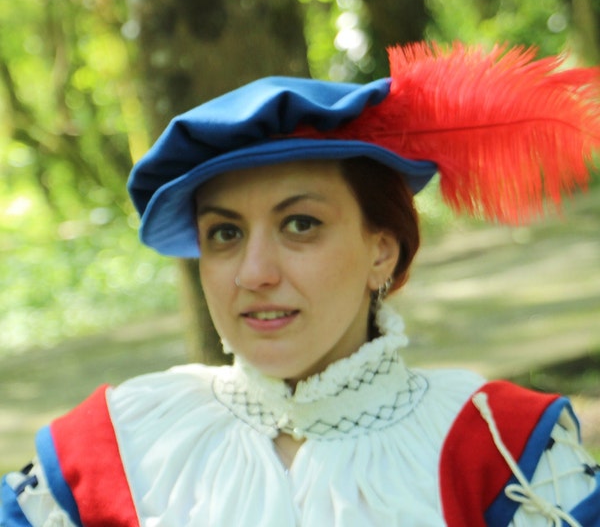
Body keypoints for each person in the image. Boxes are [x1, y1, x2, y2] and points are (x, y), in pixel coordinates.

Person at [2, 42, 600, 526]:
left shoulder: (502, 452)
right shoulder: (114, 449)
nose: (255, 273)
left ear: (381, 252)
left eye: (300, 225)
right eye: (225, 234)